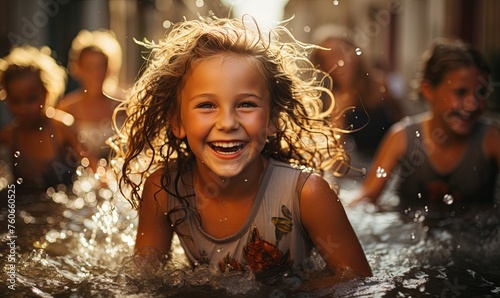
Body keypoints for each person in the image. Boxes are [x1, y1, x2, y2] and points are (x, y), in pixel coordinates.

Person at [113, 17, 372, 287]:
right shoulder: (164, 190)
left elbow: (356, 281)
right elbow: (143, 281)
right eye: (206, 105)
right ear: (177, 121)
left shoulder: (308, 194)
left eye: (246, 104)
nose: (227, 123)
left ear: (272, 119)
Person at [350, 38, 500, 220]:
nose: (472, 105)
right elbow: (365, 199)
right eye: (461, 92)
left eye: (481, 93)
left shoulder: (491, 138)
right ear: (428, 90)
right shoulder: (402, 137)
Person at [0, 46, 89, 201]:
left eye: (31, 99)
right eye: (16, 101)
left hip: (65, 215)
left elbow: (93, 169)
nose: (23, 108)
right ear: (6, 99)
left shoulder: (62, 128)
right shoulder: (8, 137)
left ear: (46, 93)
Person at [310, 24, 403, 163]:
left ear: (353, 50)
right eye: (325, 59)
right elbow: (332, 156)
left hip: (390, 164)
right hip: (355, 173)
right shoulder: (328, 98)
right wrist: (339, 115)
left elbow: (401, 126)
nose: (333, 63)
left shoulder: (379, 84)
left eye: (338, 54)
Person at [57, 29, 123, 163]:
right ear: (78, 69)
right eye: (89, 67)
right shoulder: (66, 109)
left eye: (101, 66)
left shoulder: (123, 106)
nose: (96, 73)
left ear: (110, 68)